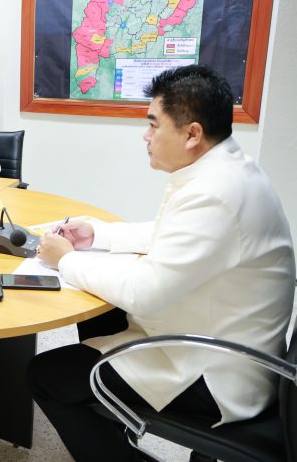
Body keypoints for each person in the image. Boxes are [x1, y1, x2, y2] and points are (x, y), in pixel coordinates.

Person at [29, 65, 295, 462]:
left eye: (154, 124)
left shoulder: (216, 193)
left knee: (47, 375)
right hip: (226, 339)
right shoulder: (229, 171)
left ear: (192, 134)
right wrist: (96, 236)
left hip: (214, 371)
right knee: (102, 313)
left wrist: (66, 260)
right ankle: (113, 422)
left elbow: (145, 294)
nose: (146, 135)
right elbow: (168, 231)